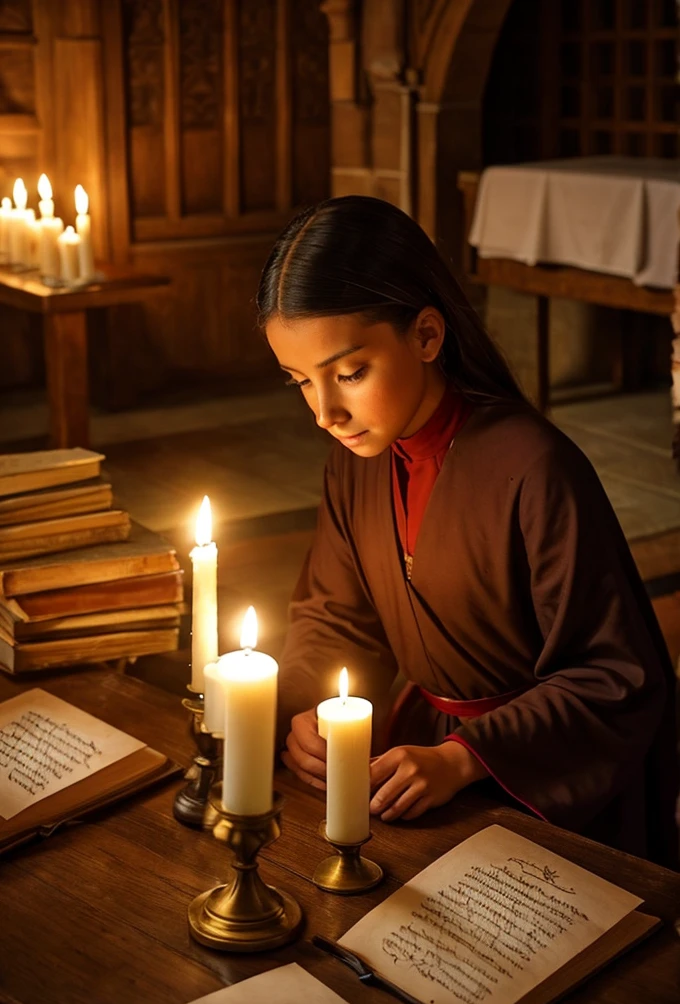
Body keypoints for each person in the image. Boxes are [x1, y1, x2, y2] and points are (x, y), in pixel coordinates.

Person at [256, 194, 679, 869]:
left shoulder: (535, 467)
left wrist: (464, 758)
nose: (325, 412)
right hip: (408, 765)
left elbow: (614, 675)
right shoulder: (356, 463)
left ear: (426, 335)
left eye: (349, 373)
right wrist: (311, 712)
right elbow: (336, 619)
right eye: (300, 382)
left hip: (534, 778)